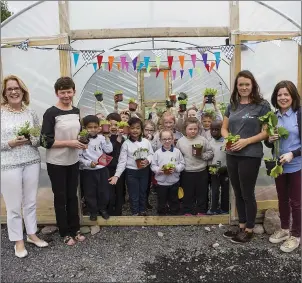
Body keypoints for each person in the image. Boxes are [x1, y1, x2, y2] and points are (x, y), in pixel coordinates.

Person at [1, 75, 48, 258]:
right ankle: (17, 241)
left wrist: (31, 139)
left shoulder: (31, 112)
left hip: (31, 161)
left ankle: (31, 234)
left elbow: (37, 140)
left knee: (30, 201)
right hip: (7, 164)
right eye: (10, 89)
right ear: (5, 93)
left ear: (23, 91)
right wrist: (11, 143)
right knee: (13, 205)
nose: (14, 92)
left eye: (17, 88)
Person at [221, 70, 271, 244]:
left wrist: (245, 142)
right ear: (236, 86)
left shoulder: (262, 105)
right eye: (240, 84)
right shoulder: (232, 105)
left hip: (250, 155)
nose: (243, 87)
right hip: (232, 154)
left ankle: (249, 229)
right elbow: (224, 128)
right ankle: (241, 225)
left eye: (247, 84)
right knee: (237, 191)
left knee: (247, 192)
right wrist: (229, 139)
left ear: (253, 86)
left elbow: (266, 132)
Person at [41, 77, 86, 246]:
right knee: (61, 197)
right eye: (62, 92)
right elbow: (45, 141)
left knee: (73, 196)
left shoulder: (76, 111)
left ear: (74, 91)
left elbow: (78, 134)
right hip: (56, 162)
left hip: (72, 160)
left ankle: (75, 228)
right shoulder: (51, 113)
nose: (66, 95)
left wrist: (82, 143)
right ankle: (64, 232)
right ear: (57, 93)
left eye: (69, 91)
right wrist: (69, 143)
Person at [266, 80, 301, 253]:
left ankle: (296, 235)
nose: (283, 97)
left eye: (286, 94)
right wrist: (269, 140)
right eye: (279, 94)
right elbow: (269, 143)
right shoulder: (273, 116)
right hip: (278, 166)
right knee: (282, 199)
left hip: (296, 165)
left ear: (293, 96)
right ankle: (285, 229)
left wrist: (293, 154)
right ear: (275, 97)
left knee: (296, 202)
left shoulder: (299, 114)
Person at [109, 117, 154, 216]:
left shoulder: (146, 142)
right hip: (131, 172)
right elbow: (122, 161)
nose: (135, 130)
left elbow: (151, 154)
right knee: (133, 193)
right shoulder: (126, 144)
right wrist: (117, 175)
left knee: (143, 191)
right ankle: (135, 212)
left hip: (144, 171)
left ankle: (142, 210)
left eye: (138, 128)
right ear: (128, 130)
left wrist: (148, 161)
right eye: (132, 128)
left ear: (141, 129)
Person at [176, 117, 214, 215]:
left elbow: (210, 153)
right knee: (188, 193)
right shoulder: (181, 141)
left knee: (202, 192)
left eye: (195, 129)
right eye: (190, 129)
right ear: (185, 129)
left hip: (201, 171)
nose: (193, 131)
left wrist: (201, 155)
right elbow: (178, 156)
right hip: (187, 172)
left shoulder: (203, 140)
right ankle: (187, 210)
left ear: (198, 129)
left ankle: (201, 210)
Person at [79, 115, 113, 221]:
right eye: (90, 127)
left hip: (102, 169)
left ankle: (102, 209)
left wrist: (107, 137)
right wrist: (89, 163)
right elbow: (79, 157)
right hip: (88, 171)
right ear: (84, 128)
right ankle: (93, 211)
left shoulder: (101, 138)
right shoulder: (81, 140)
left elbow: (109, 150)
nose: (93, 129)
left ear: (99, 127)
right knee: (90, 192)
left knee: (103, 191)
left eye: (95, 127)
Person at [151, 130, 185, 215]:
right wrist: (159, 169)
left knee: (174, 199)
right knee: (162, 199)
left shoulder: (177, 152)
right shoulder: (157, 153)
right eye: (164, 139)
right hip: (161, 183)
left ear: (173, 139)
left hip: (174, 181)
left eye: (169, 139)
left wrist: (176, 168)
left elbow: (182, 164)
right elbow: (153, 166)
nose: (167, 141)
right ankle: (162, 214)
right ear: (160, 140)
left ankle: (174, 212)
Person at [208, 120, 229, 215]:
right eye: (212, 130)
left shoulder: (227, 141)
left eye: (217, 129)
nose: (214, 132)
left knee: (226, 190)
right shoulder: (210, 142)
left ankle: (224, 209)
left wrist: (226, 167)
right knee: (214, 190)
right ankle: (213, 208)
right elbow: (209, 156)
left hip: (225, 170)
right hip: (214, 171)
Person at [106, 112, 126, 216]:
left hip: (119, 168)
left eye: (116, 125)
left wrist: (119, 139)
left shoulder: (122, 139)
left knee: (119, 190)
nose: (113, 127)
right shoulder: (105, 138)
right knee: (109, 190)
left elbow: (119, 153)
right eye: (110, 125)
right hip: (107, 168)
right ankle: (109, 209)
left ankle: (118, 211)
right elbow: (108, 152)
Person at [143, 120, 157, 209]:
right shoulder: (139, 138)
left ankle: (145, 200)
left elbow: (155, 149)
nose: (148, 132)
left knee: (147, 183)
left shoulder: (154, 139)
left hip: (149, 164)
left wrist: (151, 140)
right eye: (146, 129)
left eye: (151, 130)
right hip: (139, 163)